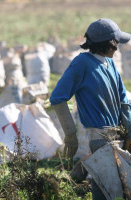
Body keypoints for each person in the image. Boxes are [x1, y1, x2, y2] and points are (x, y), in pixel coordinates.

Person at [50, 18, 131, 199]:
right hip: (100, 139)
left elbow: (124, 101)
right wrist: (70, 135)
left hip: (119, 135)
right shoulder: (82, 64)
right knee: (104, 188)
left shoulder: (110, 64)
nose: (118, 47)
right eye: (117, 42)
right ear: (110, 44)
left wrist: (130, 132)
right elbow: (57, 97)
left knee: (121, 188)